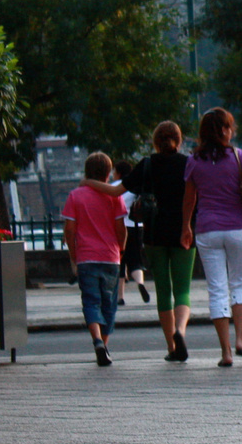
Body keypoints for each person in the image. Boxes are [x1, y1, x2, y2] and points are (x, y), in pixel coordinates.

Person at [83, 121, 194, 361]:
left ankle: (171, 348)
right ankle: (180, 331)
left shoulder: (147, 165)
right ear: (180, 139)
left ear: (155, 141)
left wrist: (89, 182)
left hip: (154, 233)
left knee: (164, 290)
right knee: (183, 289)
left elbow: (115, 192)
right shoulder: (188, 164)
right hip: (184, 231)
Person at [182, 107, 242, 367]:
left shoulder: (194, 160)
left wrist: (186, 226)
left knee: (216, 289)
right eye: (228, 127)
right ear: (225, 130)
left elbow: (189, 198)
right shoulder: (238, 157)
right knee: (239, 284)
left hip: (207, 229)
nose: (230, 131)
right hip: (239, 228)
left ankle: (226, 352)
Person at [61, 152, 127, 367]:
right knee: (109, 305)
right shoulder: (114, 196)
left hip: (86, 258)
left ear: (86, 172)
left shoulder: (75, 196)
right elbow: (121, 228)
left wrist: (73, 254)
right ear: (108, 174)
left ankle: (97, 340)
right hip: (110, 257)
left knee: (90, 301)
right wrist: (122, 247)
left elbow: (69, 230)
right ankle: (104, 345)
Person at [113, 159, 150, 307]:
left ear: (119, 173)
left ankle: (120, 297)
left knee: (120, 261)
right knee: (136, 260)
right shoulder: (137, 187)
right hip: (137, 226)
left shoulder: (115, 187)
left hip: (120, 226)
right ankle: (140, 282)